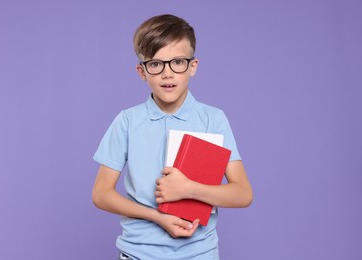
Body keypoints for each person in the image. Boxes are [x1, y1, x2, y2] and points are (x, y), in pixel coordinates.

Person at [92, 14, 253, 260]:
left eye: (177, 62)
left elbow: (242, 194)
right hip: (139, 253)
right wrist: (157, 216)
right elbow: (101, 194)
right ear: (142, 71)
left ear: (192, 66)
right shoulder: (127, 121)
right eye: (156, 64)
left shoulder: (213, 119)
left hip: (199, 253)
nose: (168, 74)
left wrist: (188, 189)